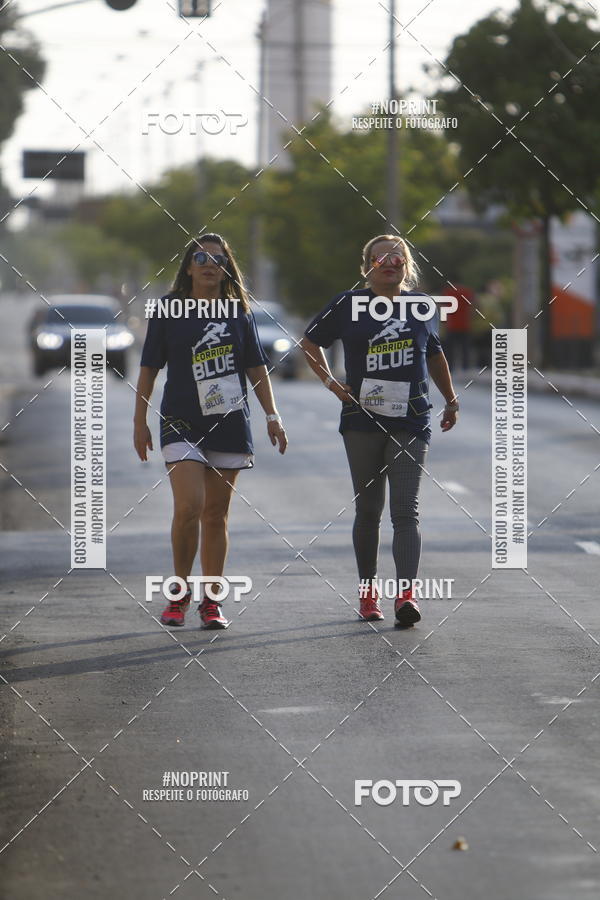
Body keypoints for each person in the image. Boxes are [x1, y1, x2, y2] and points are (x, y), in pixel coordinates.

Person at [300, 234, 458, 627]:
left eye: (397, 256)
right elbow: (309, 342)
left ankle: (406, 596)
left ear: (407, 264)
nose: (389, 262)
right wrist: (333, 384)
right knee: (369, 510)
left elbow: (433, 353)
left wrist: (451, 399)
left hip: (411, 419)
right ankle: (368, 594)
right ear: (367, 265)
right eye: (380, 257)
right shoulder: (347, 304)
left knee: (406, 511)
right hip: (362, 421)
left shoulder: (419, 305)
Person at [133, 233, 287, 629]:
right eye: (200, 257)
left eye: (217, 259)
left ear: (225, 269)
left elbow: (255, 366)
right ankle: (179, 592)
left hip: (229, 419)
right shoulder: (169, 309)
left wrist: (273, 414)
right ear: (188, 267)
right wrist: (140, 421)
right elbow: (149, 366)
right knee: (189, 507)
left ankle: (211, 602)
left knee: (216, 513)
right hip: (181, 420)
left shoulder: (239, 312)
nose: (208, 264)